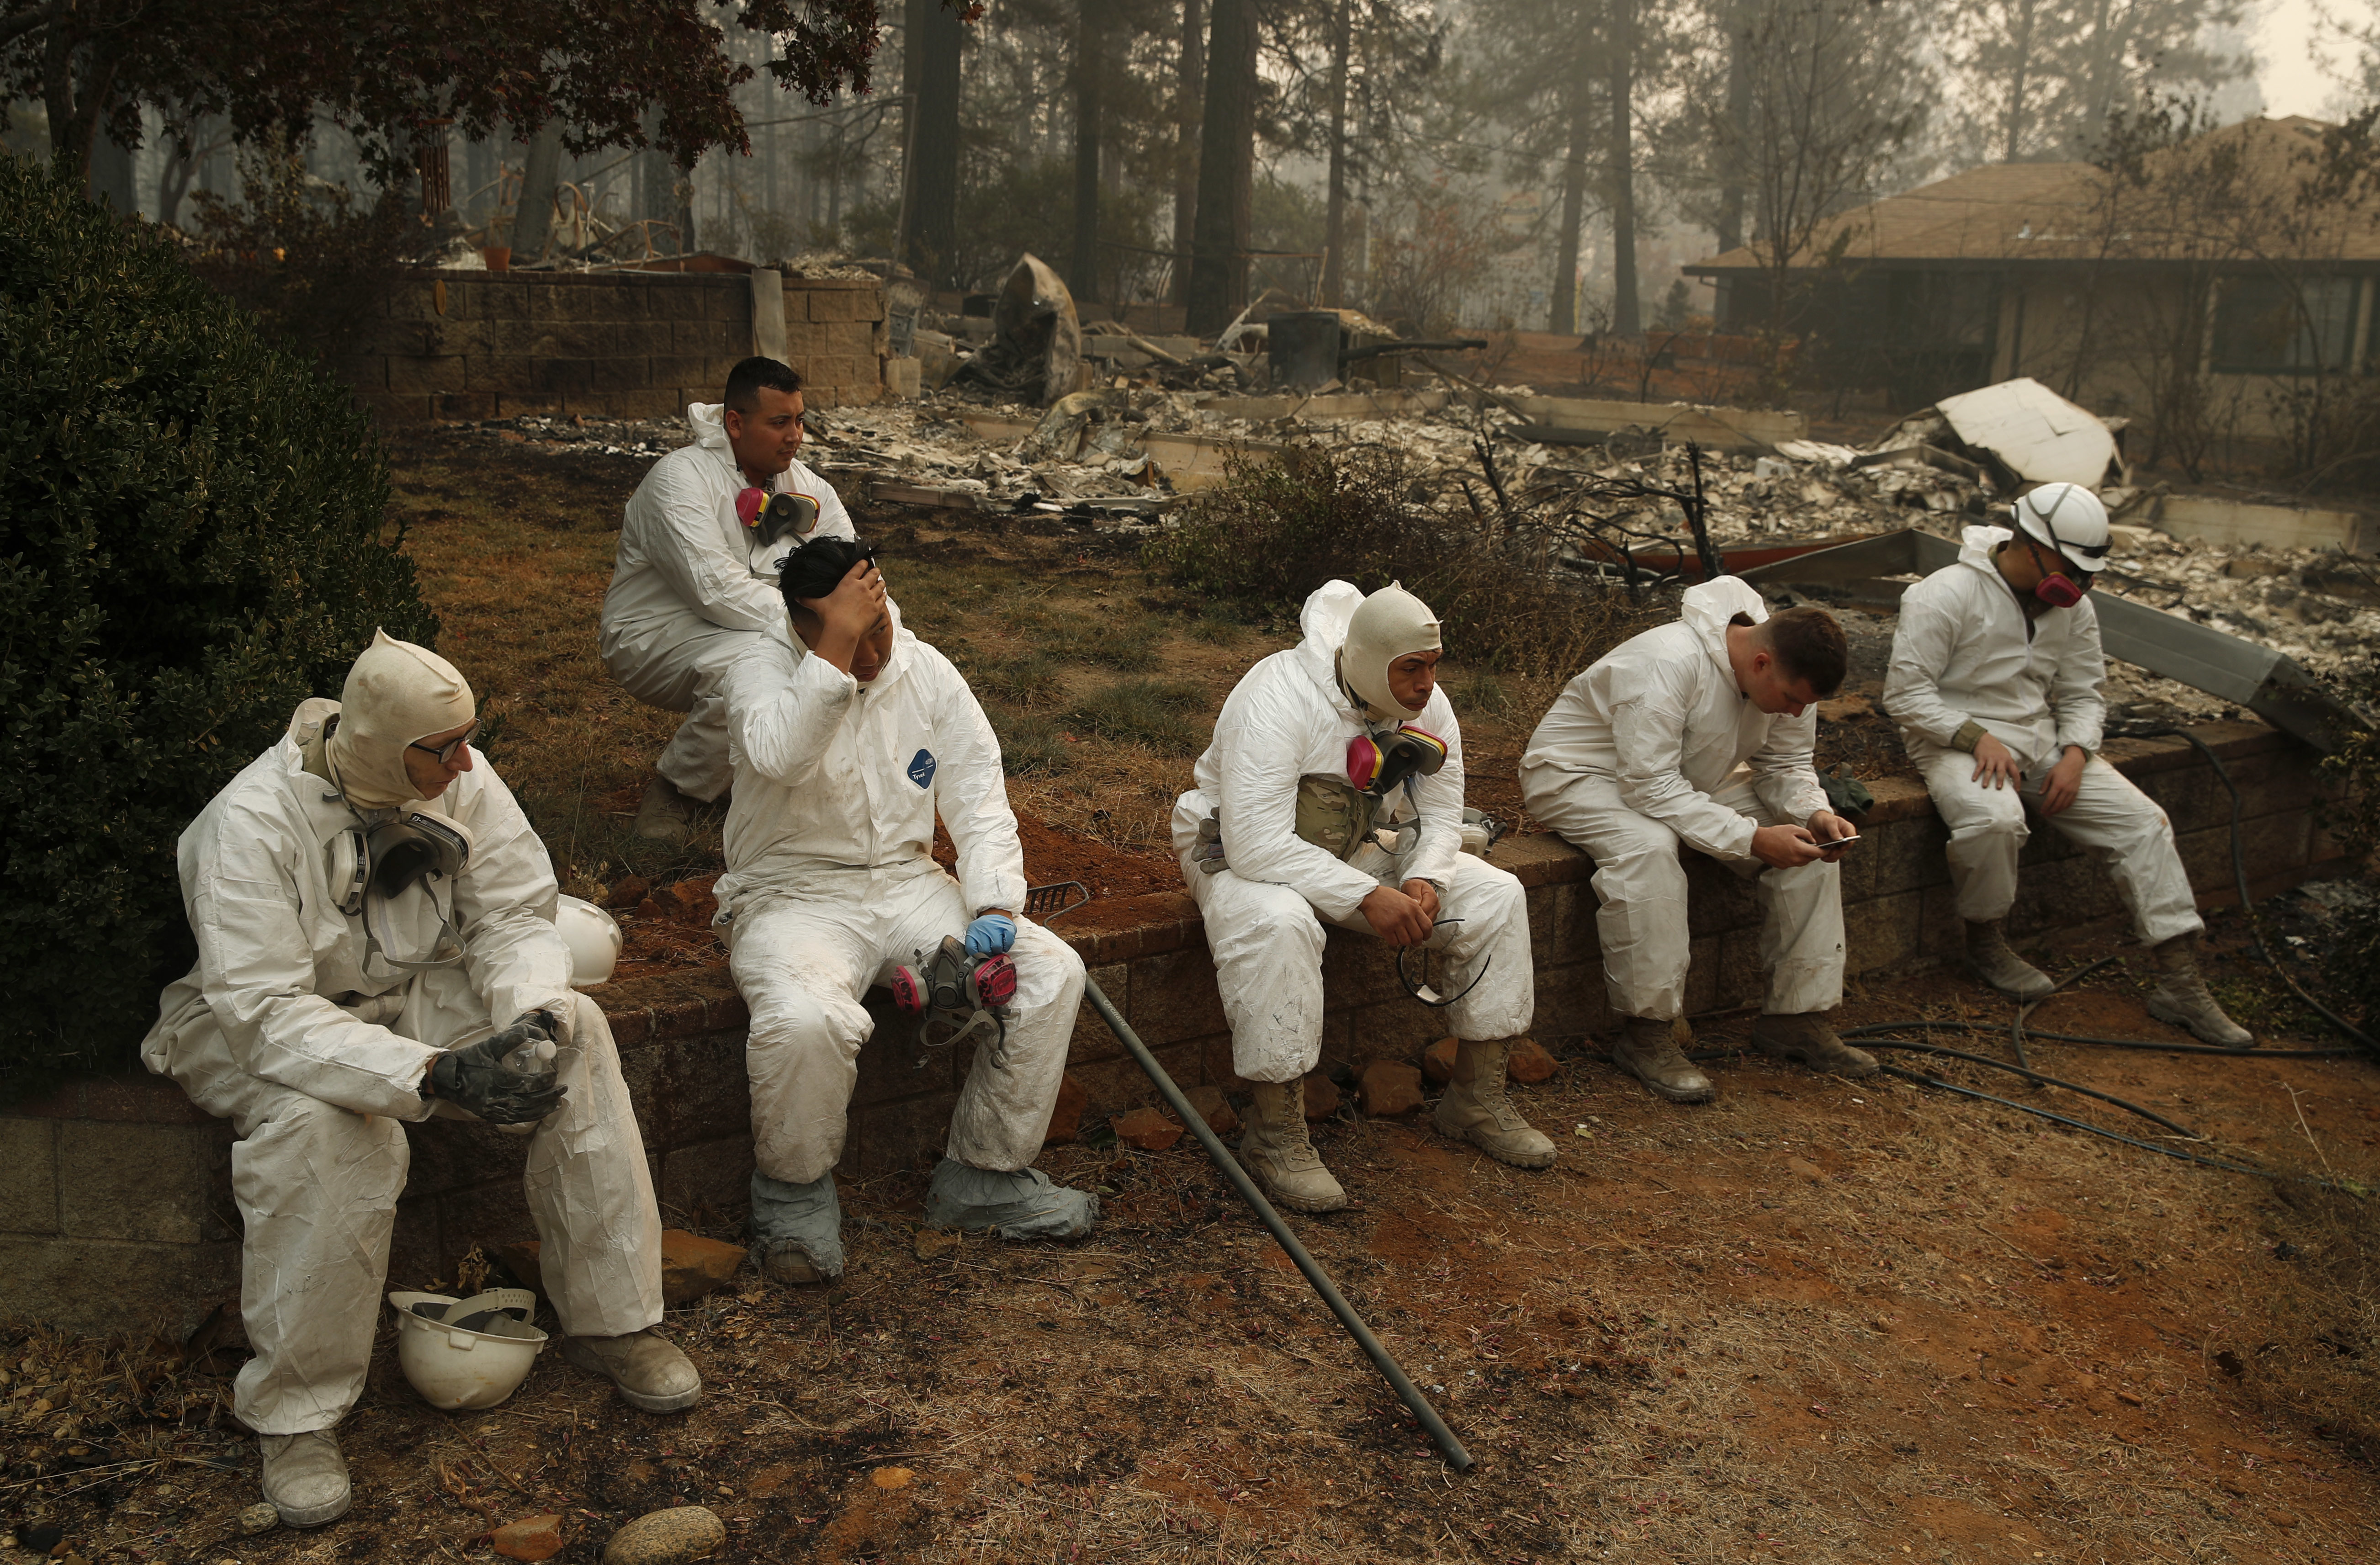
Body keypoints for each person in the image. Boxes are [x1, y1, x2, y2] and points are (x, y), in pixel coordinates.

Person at [141, 632, 697, 1530]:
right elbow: (263, 1010)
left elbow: (516, 914)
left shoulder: (458, 777)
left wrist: (527, 1021)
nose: (466, 761)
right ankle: (297, 1415)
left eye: (467, 739)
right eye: (442, 748)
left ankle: (614, 1321)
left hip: (406, 995)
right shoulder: (248, 822)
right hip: (258, 1027)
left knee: (579, 1032)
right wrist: (435, 1071)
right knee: (336, 1128)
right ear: (376, 741)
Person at [717, 536, 1097, 1284]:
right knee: (805, 1020)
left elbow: (979, 798)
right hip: (790, 894)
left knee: (1050, 970)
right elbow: (782, 755)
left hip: (904, 882)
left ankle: (983, 1177)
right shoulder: (755, 669)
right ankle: (791, 1196)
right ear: (806, 627)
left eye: (880, 630)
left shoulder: (925, 671)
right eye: (852, 640)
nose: (872, 658)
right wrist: (834, 652)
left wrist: (992, 903)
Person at [1174, 580, 1553, 1214]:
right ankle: (1275, 1135)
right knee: (1279, 923)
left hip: (1358, 841)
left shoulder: (1426, 704)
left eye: (1433, 665)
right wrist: (1367, 897)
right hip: (1237, 847)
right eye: (1412, 668)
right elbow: (1256, 843)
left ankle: (1477, 1098)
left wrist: (1426, 879)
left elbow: (1441, 816)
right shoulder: (1277, 695)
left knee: (1496, 896)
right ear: (1372, 661)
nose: (1427, 682)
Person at [1883, 483, 2250, 1043]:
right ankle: (1985, 940)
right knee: (1994, 821)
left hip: (2042, 742)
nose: (2079, 584)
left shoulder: (2074, 609)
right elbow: (1906, 695)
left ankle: (2179, 982)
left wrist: (2077, 753)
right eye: (2069, 567)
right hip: (1954, 739)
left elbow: (2083, 694)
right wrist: (1974, 734)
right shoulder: (1944, 594)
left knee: (2143, 823)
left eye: (2087, 572)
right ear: (2027, 543)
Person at [1521, 579, 1870, 1105]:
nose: (1796, 713)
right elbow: (1647, 785)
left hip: (1684, 778)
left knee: (1811, 850)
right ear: (1760, 664)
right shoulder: (1667, 661)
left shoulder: (1787, 673)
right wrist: (1751, 838)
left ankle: (1796, 1017)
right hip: (1581, 774)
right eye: (1792, 700)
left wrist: (1813, 812)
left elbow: (1785, 764)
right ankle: (1647, 1033)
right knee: (1648, 847)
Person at [601, 355, 855, 842]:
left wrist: (867, 624)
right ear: (735, 424)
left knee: (830, 660)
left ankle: (772, 779)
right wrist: (822, 626)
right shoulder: (679, 481)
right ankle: (677, 790)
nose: (795, 435)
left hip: (762, 624)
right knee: (754, 664)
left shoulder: (809, 488)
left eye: (800, 420)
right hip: (654, 634)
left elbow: (853, 571)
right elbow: (713, 590)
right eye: (779, 422)